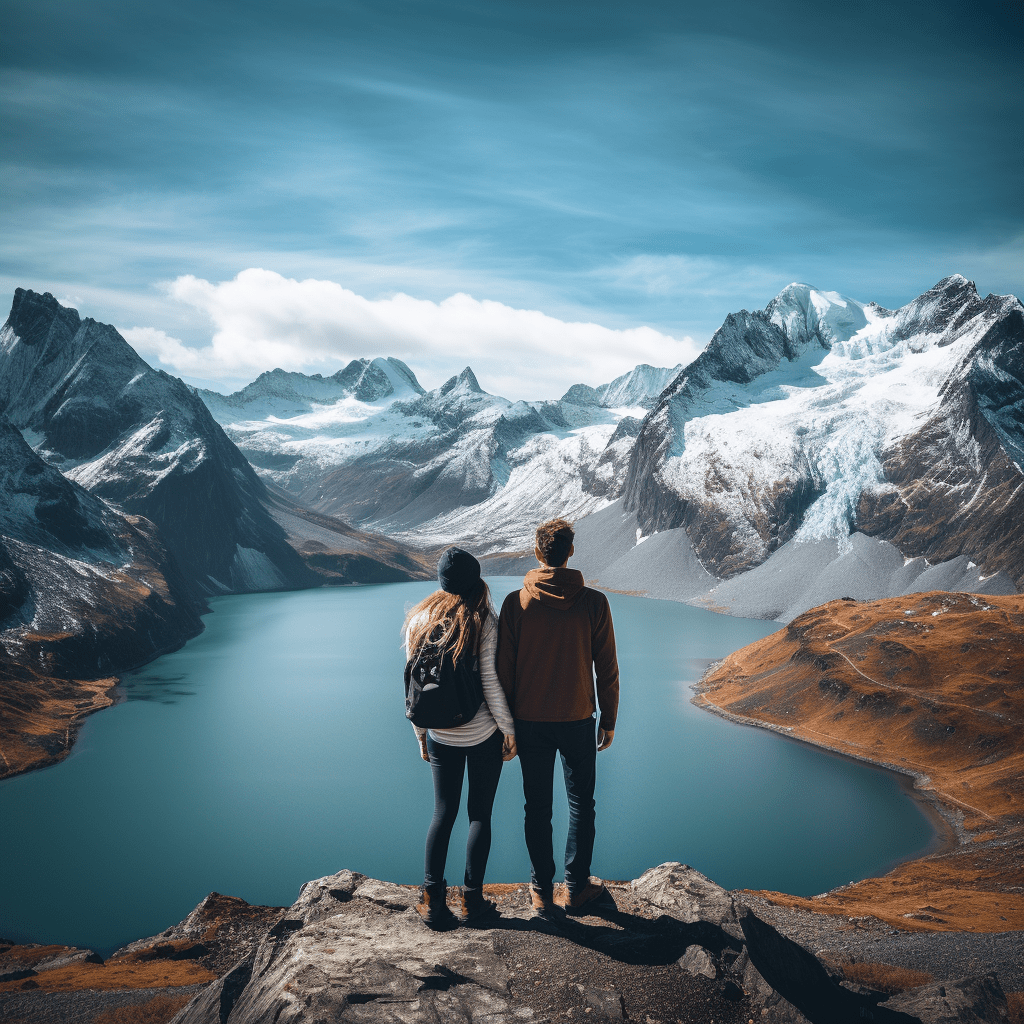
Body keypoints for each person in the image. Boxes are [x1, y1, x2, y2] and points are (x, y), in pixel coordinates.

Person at [497, 517, 619, 921]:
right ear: (570, 552)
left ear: (537, 552)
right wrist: (609, 718)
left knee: (537, 807)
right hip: (578, 719)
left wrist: (507, 727)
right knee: (582, 804)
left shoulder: (517, 602)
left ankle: (539, 891)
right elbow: (607, 668)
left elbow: (504, 671)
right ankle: (577, 886)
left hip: (529, 721)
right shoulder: (594, 603)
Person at [404, 546, 517, 930]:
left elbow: (417, 687)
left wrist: (421, 737)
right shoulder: (485, 620)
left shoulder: (419, 619)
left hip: (440, 735)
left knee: (442, 813)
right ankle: (472, 901)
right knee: (479, 815)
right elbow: (491, 684)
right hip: (482, 732)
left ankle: (432, 899)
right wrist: (509, 731)